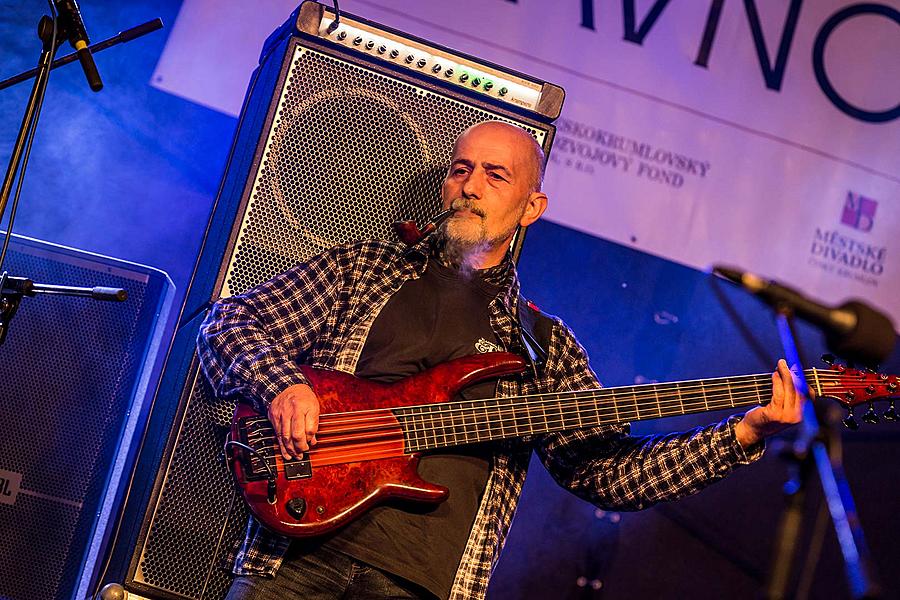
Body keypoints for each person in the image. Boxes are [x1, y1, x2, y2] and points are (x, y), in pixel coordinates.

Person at [197, 121, 802, 600]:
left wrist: (741, 434)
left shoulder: (542, 345)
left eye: (495, 175)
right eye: (461, 170)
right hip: (299, 556)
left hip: (424, 586)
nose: (471, 185)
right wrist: (281, 386)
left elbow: (608, 473)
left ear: (531, 207)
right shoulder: (365, 270)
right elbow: (228, 324)